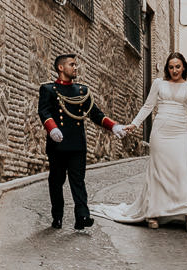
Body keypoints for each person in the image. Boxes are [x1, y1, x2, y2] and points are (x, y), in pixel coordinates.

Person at [93, 52, 187, 232]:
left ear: (184, 67)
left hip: (181, 132)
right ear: (167, 68)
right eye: (171, 67)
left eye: (178, 66)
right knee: (158, 172)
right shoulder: (159, 83)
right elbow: (148, 106)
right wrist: (134, 124)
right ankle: (153, 212)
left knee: (182, 171)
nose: (174, 70)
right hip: (161, 132)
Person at [36, 53, 128, 230]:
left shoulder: (82, 91)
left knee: (78, 180)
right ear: (61, 68)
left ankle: (82, 217)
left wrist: (114, 126)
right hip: (57, 144)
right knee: (56, 181)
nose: (75, 68)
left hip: (77, 144)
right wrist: (52, 128)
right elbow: (44, 112)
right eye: (72, 65)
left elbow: (95, 114)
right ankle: (57, 216)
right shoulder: (48, 89)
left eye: (76, 65)